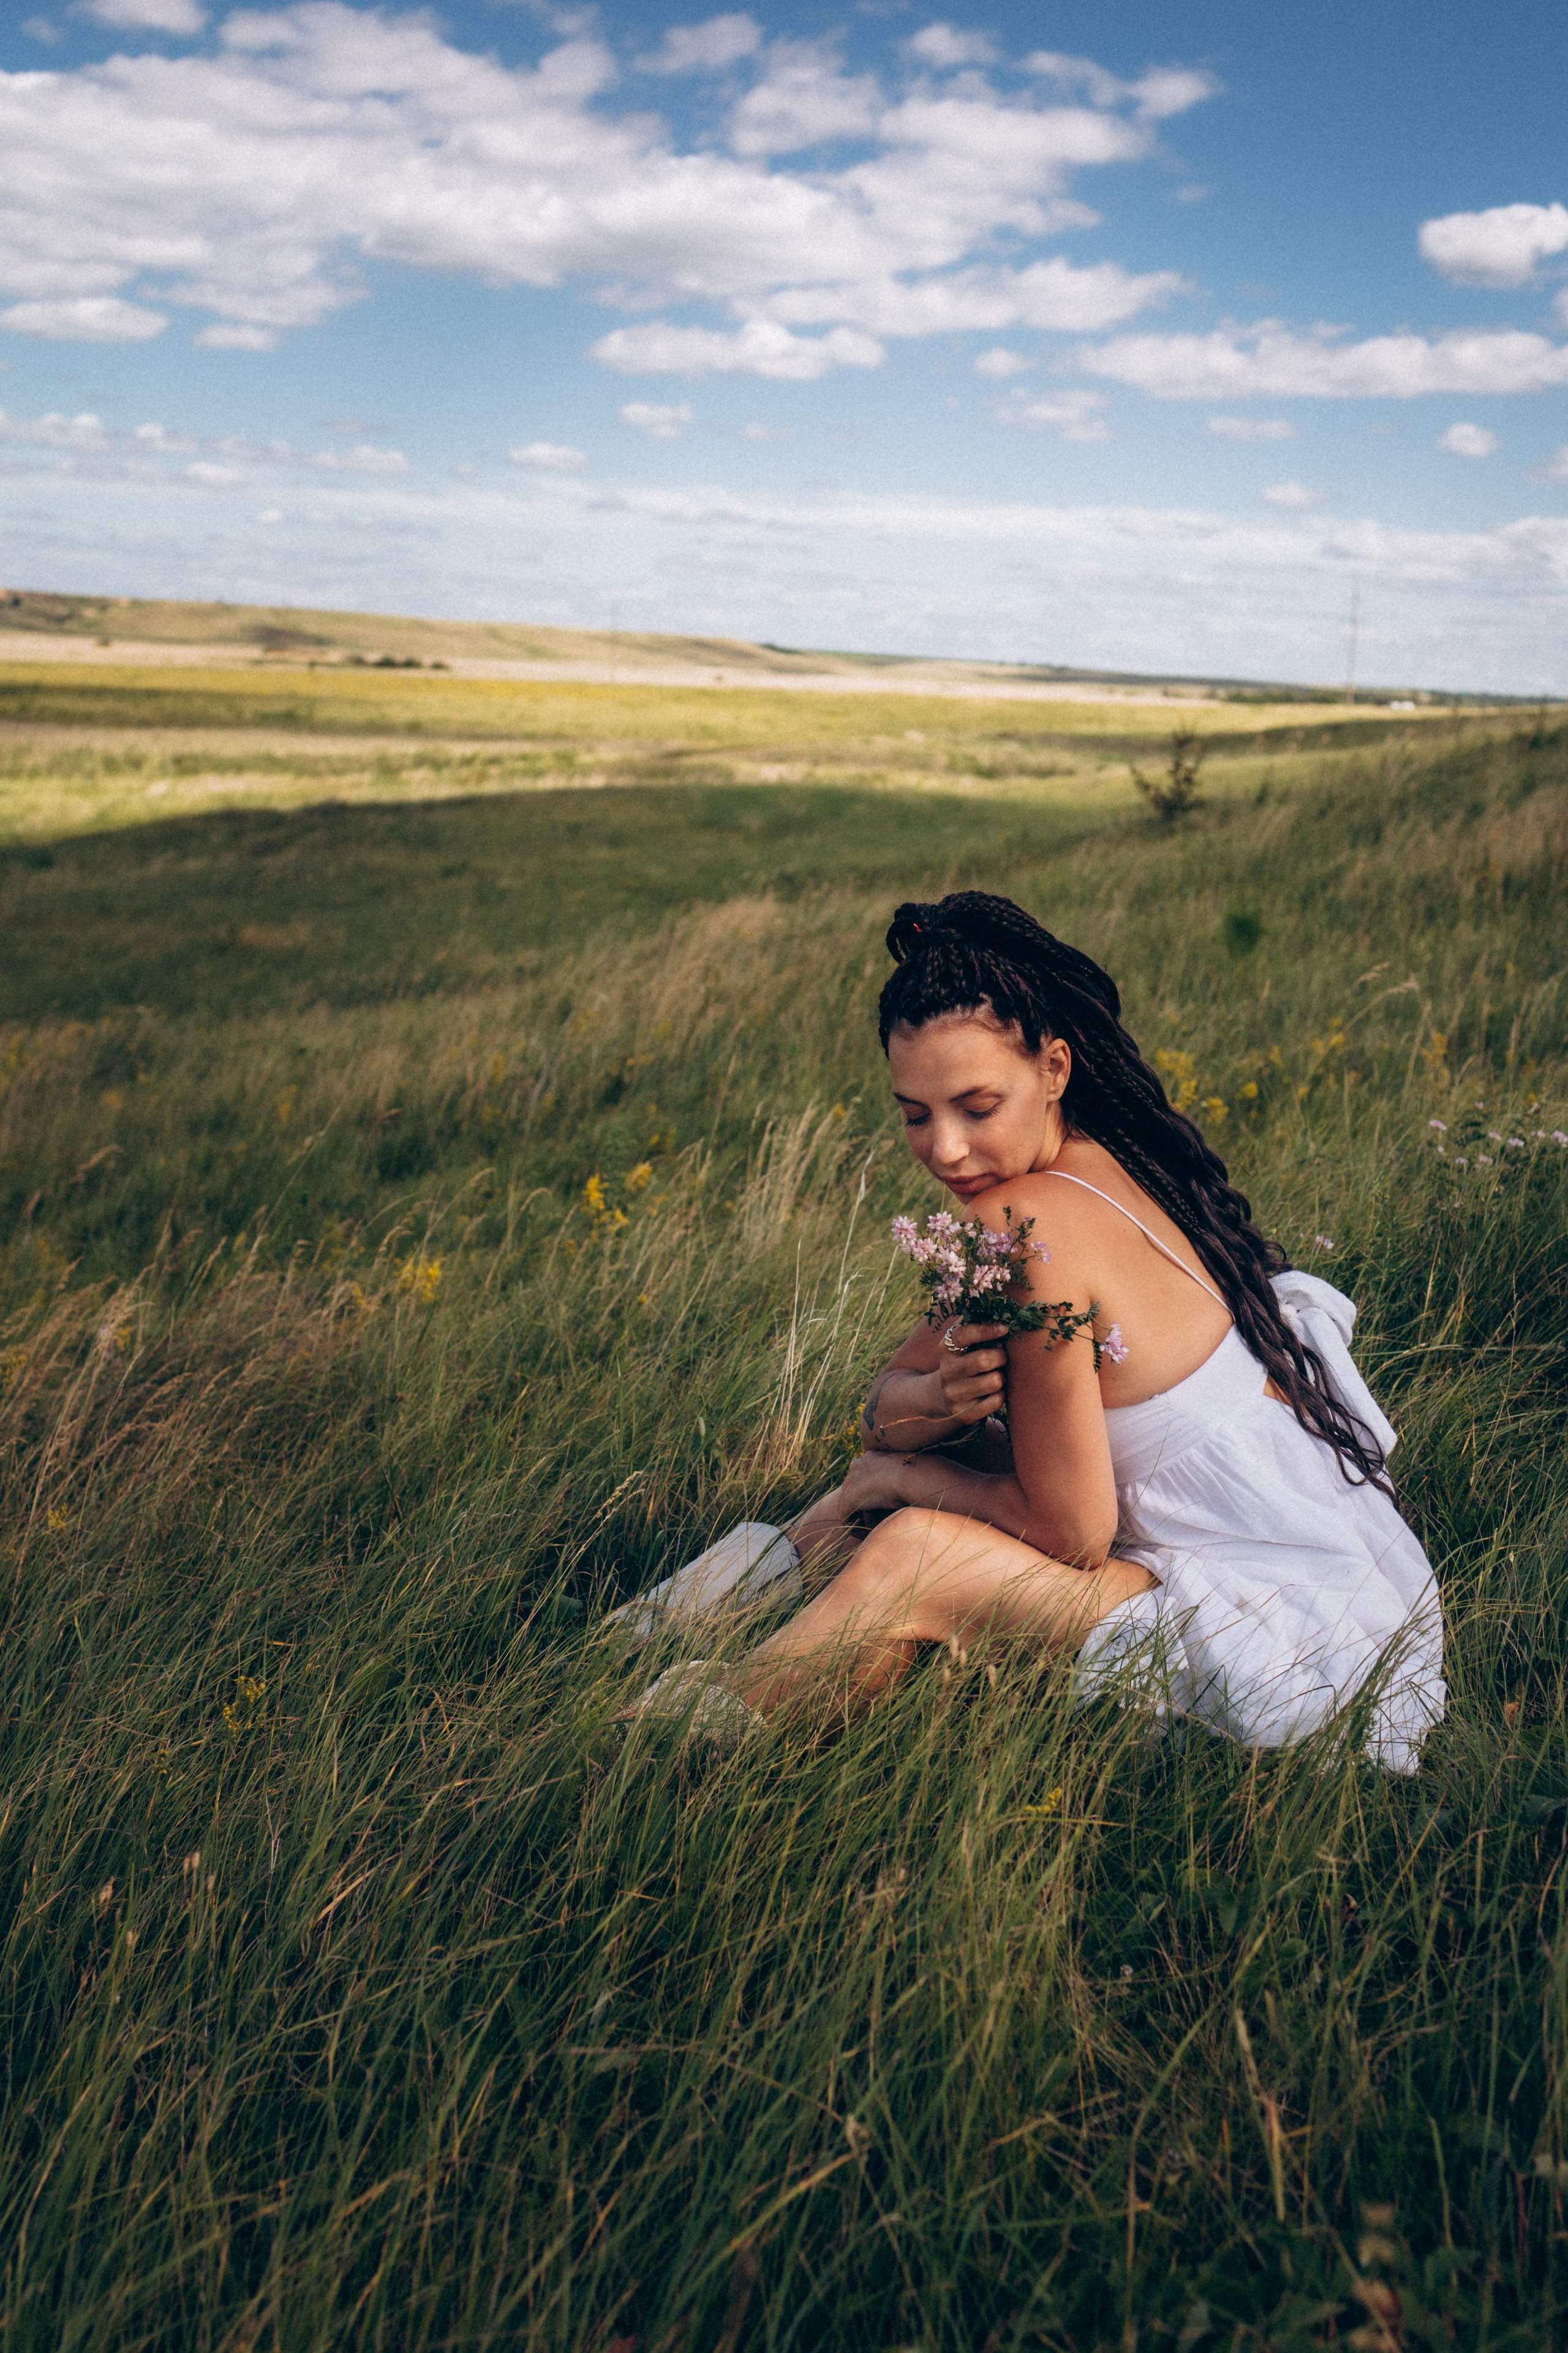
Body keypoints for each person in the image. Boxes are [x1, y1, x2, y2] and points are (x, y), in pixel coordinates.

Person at [621, 891, 1446, 1772]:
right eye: (915, 1114)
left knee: (911, 1548)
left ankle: (668, 1746)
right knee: (886, 1489)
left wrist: (907, 1475)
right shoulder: (1097, 1160)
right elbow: (883, 1412)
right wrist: (937, 1401)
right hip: (1351, 1577)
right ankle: (671, 1633)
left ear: (1054, 1069)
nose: (944, 1149)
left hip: (1284, 1626)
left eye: (977, 1107)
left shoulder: (1026, 1226)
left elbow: (1071, 1534)